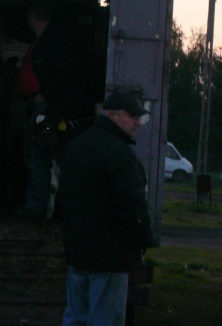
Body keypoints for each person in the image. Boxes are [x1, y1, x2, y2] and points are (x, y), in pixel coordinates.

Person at [59, 90, 155, 326]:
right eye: (132, 116)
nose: (137, 122)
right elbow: (132, 207)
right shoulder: (120, 155)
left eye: (139, 117)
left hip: (78, 255)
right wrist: (143, 240)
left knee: (75, 318)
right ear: (111, 115)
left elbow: (64, 201)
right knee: (106, 319)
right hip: (110, 258)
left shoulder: (75, 148)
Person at [16, 0, 91, 219]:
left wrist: (45, 93)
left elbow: (63, 73)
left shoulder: (53, 41)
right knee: (36, 154)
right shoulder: (46, 40)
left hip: (46, 106)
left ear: (33, 18)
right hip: (39, 104)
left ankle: (37, 207)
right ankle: (41, 205)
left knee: (38, 153)